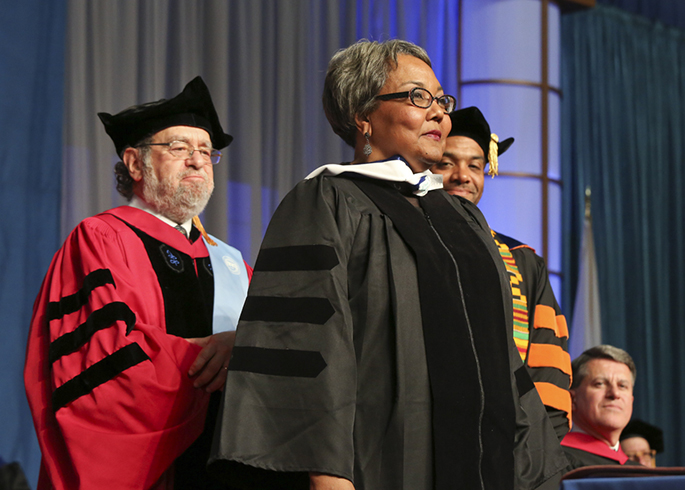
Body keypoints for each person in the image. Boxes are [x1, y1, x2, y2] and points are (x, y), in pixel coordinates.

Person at [209, 39, 569, 490]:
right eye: (419, 97)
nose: (439, 112)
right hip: (382, 464)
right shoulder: (327, 200)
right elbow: (307, 347)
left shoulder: (464, 219)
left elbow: (499, 358)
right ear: (363, 117)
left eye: (441, 99)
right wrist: (330, 477)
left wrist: (536, 472)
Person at [24, 76, 251, 490]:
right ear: (134, 163)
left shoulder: (232, 262)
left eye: (206, 151)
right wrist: (217, 359)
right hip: (149, 472)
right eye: (179, 148)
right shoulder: (100, 239)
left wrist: (247, 346)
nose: (198, 160)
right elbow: (101, 361)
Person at [432, 106, 572, 440]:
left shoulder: (523, 263)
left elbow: (546, 370)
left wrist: (540, 453)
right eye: (446, 163)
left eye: (475, 166)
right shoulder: (396, 239)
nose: (462, 176)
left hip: (508, 442)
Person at [561, 345, 639, 469]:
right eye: (600, 384)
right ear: (572, 399)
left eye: (622, 386)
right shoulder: (555, 462)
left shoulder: (642, 472)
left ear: (631, 400)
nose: (615, 394)